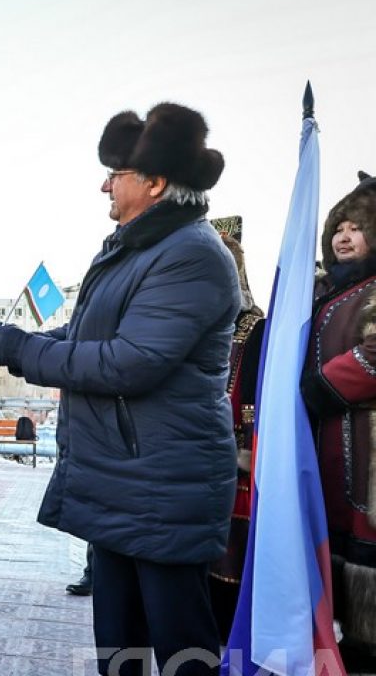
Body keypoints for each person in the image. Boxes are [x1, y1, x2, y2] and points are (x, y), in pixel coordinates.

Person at [0, 103, 238, 676]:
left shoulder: (193, 255)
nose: (103, 184)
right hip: (120, 480)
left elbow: (130, 362)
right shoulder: (135, 245)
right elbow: (87, 334)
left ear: (154, 183)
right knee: (120, 647)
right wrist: (14, 341)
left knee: (184, 653)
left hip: (162, 487)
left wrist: (20, 351)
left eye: (115, 173)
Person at [300, 172, 376, 670]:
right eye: (338, 228)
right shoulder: (327, 290)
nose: (343, 238)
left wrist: (320, 387)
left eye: (357, 228)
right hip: (328, 447)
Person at [207, 219, 264, 640]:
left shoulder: (256, 326)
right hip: (193, 453)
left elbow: (259, 393)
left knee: (233, 554)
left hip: (237, 452)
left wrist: (248, 446)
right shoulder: (192, 321)